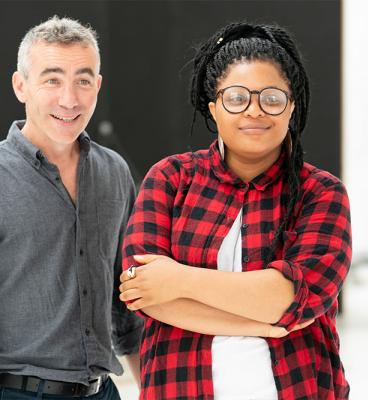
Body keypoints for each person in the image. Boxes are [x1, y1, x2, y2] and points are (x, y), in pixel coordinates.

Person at [119, 22, 351, 400]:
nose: (254, 111)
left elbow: (294, 296)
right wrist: (269, 321)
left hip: (299, 389)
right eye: (237, 97)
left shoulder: (321, 193)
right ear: (214, 107)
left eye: (272, 98)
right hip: (179, 389)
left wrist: (177, 279)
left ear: (291, 107)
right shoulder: (171, 178)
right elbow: (143, 293)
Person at [0, 16, 143, 400]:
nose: (70, 99)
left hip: (102, 391)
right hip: (13, 392)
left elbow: (126, 300)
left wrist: (153, 389)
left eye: (83, 79)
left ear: (97, 86)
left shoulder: (114, 171)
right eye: (52, 79)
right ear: (21, 86)